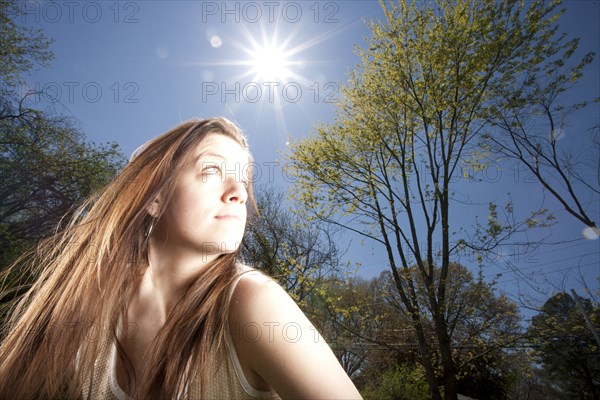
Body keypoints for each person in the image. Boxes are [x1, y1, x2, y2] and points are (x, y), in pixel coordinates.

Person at [0, 118, 362, 399]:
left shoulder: (253, 303)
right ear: (155, 198)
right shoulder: (89, 305)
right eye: (212, 171)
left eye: (244, 179)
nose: (239, 192)